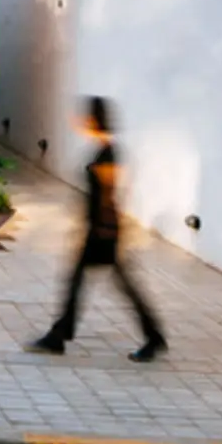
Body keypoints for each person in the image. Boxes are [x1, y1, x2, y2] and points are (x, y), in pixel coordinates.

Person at [31, 96, 166, 363]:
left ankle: (153, 337)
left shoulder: (108, 154)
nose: (80, 122)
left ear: (93, 120)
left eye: (85, 117)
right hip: (100, 230)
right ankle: (59, 335)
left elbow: (110, 194)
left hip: (104, 232)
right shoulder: (103, 150)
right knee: (83, 282)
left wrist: (106, 229)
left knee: (117, 285)